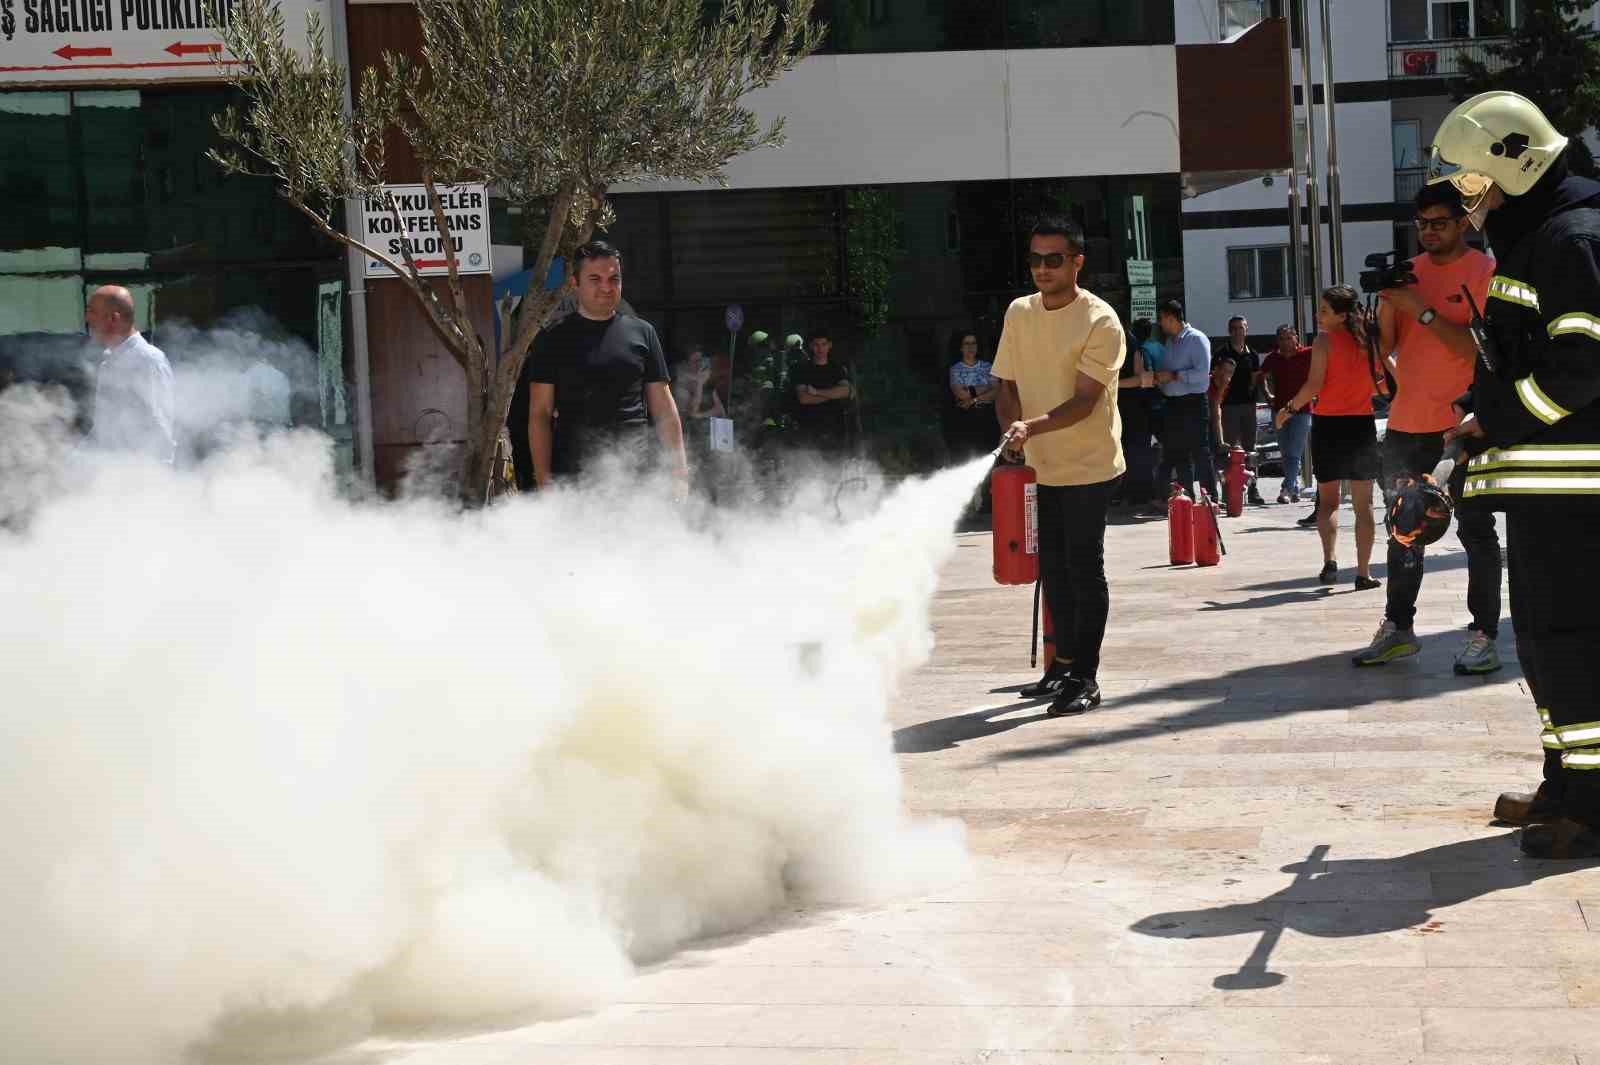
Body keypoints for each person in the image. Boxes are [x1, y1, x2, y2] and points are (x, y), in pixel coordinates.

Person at [1430, 91, 1600, 858]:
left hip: (1579, 491)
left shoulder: (1573, 238)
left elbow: (1583, 370)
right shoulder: (1538, 238)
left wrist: (1499, 419)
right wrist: (1482, 409)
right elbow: (1524, 359)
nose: (1469, 203)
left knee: (1575, 642)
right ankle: (1563, 782)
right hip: (1545, 488)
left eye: (1473, 184)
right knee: (1542, 643)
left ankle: (1591, 806)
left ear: (1516, 161)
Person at [1353, 182, 1504, 672]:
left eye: (1438, 223)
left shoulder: (1483, 272)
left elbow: (1474, 350)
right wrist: (1378, 320)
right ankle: (1399, 628)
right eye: (1421, 225)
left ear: (1463, 222)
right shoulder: (1408, 274)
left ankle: (1483, 635)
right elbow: (1391, 349)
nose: (1428, 233)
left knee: (1476, 533)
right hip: (1406, 423)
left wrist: (1419, 305)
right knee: (1404, 530)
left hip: (1464, 424)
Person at [995, 216, 1126, 716]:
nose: (1042, 269)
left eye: (1054, 260)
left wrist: (1029, 429)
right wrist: (1012, 433)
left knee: (1082, 567)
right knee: (1052, 568)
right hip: (1038, 467)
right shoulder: (1019, 312)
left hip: (1089, 466)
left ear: (1077, 262)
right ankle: (1062, 664)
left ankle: (1086, 679)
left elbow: (1085, 402)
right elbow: (1005, 384)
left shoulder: (1101, 321)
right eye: (1035, 259)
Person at [509, 240, 687, 491]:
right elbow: (540, 414)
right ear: (574, 284)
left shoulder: (643, 332)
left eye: (614, 279)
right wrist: (544, 481)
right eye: (595, 279)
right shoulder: (551, 338)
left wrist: (679, 474)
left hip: (636, 478)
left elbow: (664, 409)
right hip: (572, 480)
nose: (606, 287)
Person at [1275, 285, 1386, 589]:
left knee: (1328, 503)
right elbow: (1385, 383)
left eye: (1324, 310)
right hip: (1361, 426)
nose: (1318, 315)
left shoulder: (1323, 341)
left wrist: (1288, 409)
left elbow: (1313, 386)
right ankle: (1364, 573)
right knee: (1365, 506)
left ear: (1341, 314)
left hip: (1328, 426)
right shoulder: (1369, 341)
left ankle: (1330, 561)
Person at [85, 285, 175, 464]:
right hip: (111, 475)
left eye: (92, 312)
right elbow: (102, 429)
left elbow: (161, 430)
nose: (87, 318)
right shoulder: (108, 361)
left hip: (139, 479)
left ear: (113, 318)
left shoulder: (148, 361)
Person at [1147, 299, 1217, 510]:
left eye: (1162, 320)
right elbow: (1170, 374)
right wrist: (1161, 380)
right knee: (1178, 454)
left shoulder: (1196, 339)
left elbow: (1202, 375)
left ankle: (1210, 498)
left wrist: (1175, 375)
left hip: (1193, 403)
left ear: (1171, 318)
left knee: (1200, 452)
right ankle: (1186, 497)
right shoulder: (1171, 342)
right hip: (1173, 404)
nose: (1160, 324)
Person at [1212, 315, 1267, 505]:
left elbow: (1256, 379)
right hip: (1228, 407)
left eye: (1241, 328)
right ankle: (1229, 493)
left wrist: (1261, 398)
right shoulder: (1221, 353)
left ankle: (1253, 490)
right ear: (1229, 331)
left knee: (1251, 451)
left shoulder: (1252, 354)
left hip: (1249, 407)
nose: (1237, 331)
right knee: (1230, 451)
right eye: (1234, 328)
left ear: (1246, 330)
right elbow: (1216, 379)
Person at [1261, 324, 1314, 503]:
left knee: (1294, 451)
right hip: (1280, 411)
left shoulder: (1308, 354)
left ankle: (1286, 488)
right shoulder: (1273, 358)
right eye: (1282, 338)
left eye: (1289, 337)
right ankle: (1295, 487)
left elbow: (1320, 374)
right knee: (1285, 452)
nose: (1286, 342)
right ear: (1278, 341)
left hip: (1302, 410)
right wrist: (1268, 394)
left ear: (1296, 338)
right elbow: (1261, 376)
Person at [1115, 318, 1161, 506]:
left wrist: (1115, 385)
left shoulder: (1132, 345)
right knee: (1137, 451)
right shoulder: (1145, 346)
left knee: (1132, 451)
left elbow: (1141, 378)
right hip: (1140, 405)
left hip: (1132, 405)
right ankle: (1138, 492)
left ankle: (1134, 493)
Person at [792, 330, 854, 452]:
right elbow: (804, 398)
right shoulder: (802, 369)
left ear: (829, 345)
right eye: (816, 345)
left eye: (823, 344)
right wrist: (833, 395)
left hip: (836, 429)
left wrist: (816, 392)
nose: (820, 349)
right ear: (810, 346)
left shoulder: (838, 369)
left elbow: (847, 391)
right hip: (810, 430)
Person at [947, 331, 998, 460]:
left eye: (973, 343)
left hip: (988, 416)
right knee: (969, 455)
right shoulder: (955, 369)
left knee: (989, 452)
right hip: (967, 417)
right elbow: (961, 394)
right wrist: (986, 387)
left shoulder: (988, 367)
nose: (970, 347)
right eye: (967, 343)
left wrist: (973, 396)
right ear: (960, 347)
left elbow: (997, 392)